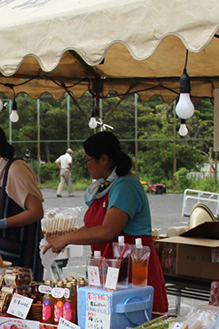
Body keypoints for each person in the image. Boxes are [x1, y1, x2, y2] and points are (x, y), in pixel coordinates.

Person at [44, 132, 168, 313]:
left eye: (87, 160)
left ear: (103, 159)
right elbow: (93, 226)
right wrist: (64, 237)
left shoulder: (125, 186)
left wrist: (67, 239)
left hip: (132, 271)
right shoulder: (106, 185)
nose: (86, 166)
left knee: (130, 320)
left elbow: (108, 230)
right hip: (107, 269)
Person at [0, 123, 45, 279]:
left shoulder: (16, 170)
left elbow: (36, 211)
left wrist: (1, 223)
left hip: (18, 253)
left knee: (21, 295)